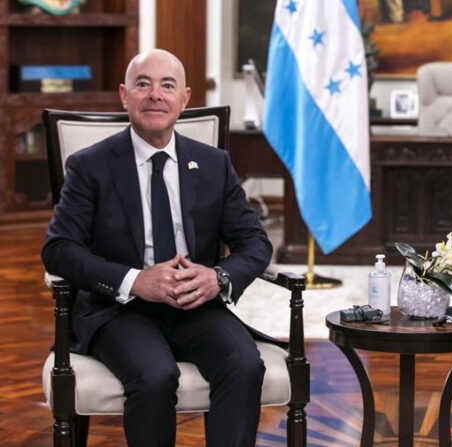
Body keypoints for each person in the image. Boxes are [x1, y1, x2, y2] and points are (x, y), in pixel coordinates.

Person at [42, 49, 281, 446]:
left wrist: (217, 277)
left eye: (167, 85)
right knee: (155, 375)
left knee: (243, 364)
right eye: (143, 84)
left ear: (184, 98)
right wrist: (135, 281)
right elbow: (59, 249)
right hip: (119, 310)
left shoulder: (214, 163)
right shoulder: (90, 165)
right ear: (124, 95)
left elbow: (254, 242)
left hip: (196, 304)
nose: (156, 95)